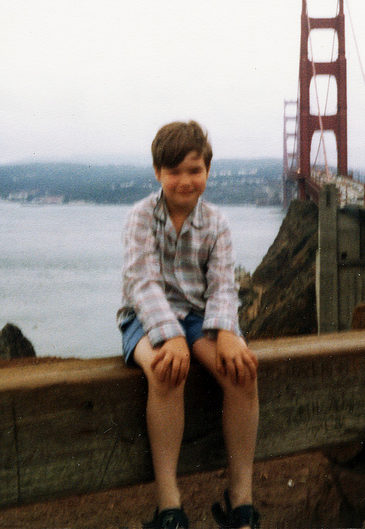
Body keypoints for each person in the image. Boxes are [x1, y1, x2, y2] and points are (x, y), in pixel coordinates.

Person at [117, 121, 260, 529]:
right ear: (157, 172)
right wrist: (171, 336)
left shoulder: (217, 224)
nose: (184, 180)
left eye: (194, 170)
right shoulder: (140, 218)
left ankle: (241, 502)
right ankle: (169, 505)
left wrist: (228, 334)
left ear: (208, 171)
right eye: (174, 171)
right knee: (166, 371)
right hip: (143, 318)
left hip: (200, 317)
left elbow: (222, 286)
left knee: (242, 373)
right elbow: (141, 284)